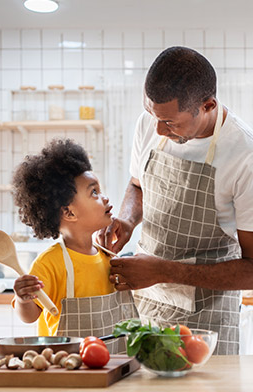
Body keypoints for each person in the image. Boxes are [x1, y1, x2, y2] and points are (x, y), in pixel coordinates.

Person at [98, 46, 253, 355]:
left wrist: (164, 271)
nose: (157, 129)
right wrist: (128, 220)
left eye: (170, 123)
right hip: (146, 306)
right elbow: (136, 185)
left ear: (207, 105)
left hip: (207, 326)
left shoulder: (244, 155)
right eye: (152, 115)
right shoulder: (151, 123)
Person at [11, 138, 137, 353]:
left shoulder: (109, 257)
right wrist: (23, 299)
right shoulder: (50, 263)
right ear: (69, 212)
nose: (105, 198)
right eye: (94, 192)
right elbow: (30, 316)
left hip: (114, 363)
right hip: (68, 366)